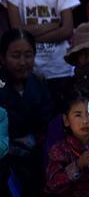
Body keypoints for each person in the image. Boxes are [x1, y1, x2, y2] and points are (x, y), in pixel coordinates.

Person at [0, 29, 54, 196]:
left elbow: (47, 124)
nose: (23, 62)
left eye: (28, 55)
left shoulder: (40, 85)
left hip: (36, 159)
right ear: (2, 58)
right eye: (16, 56)